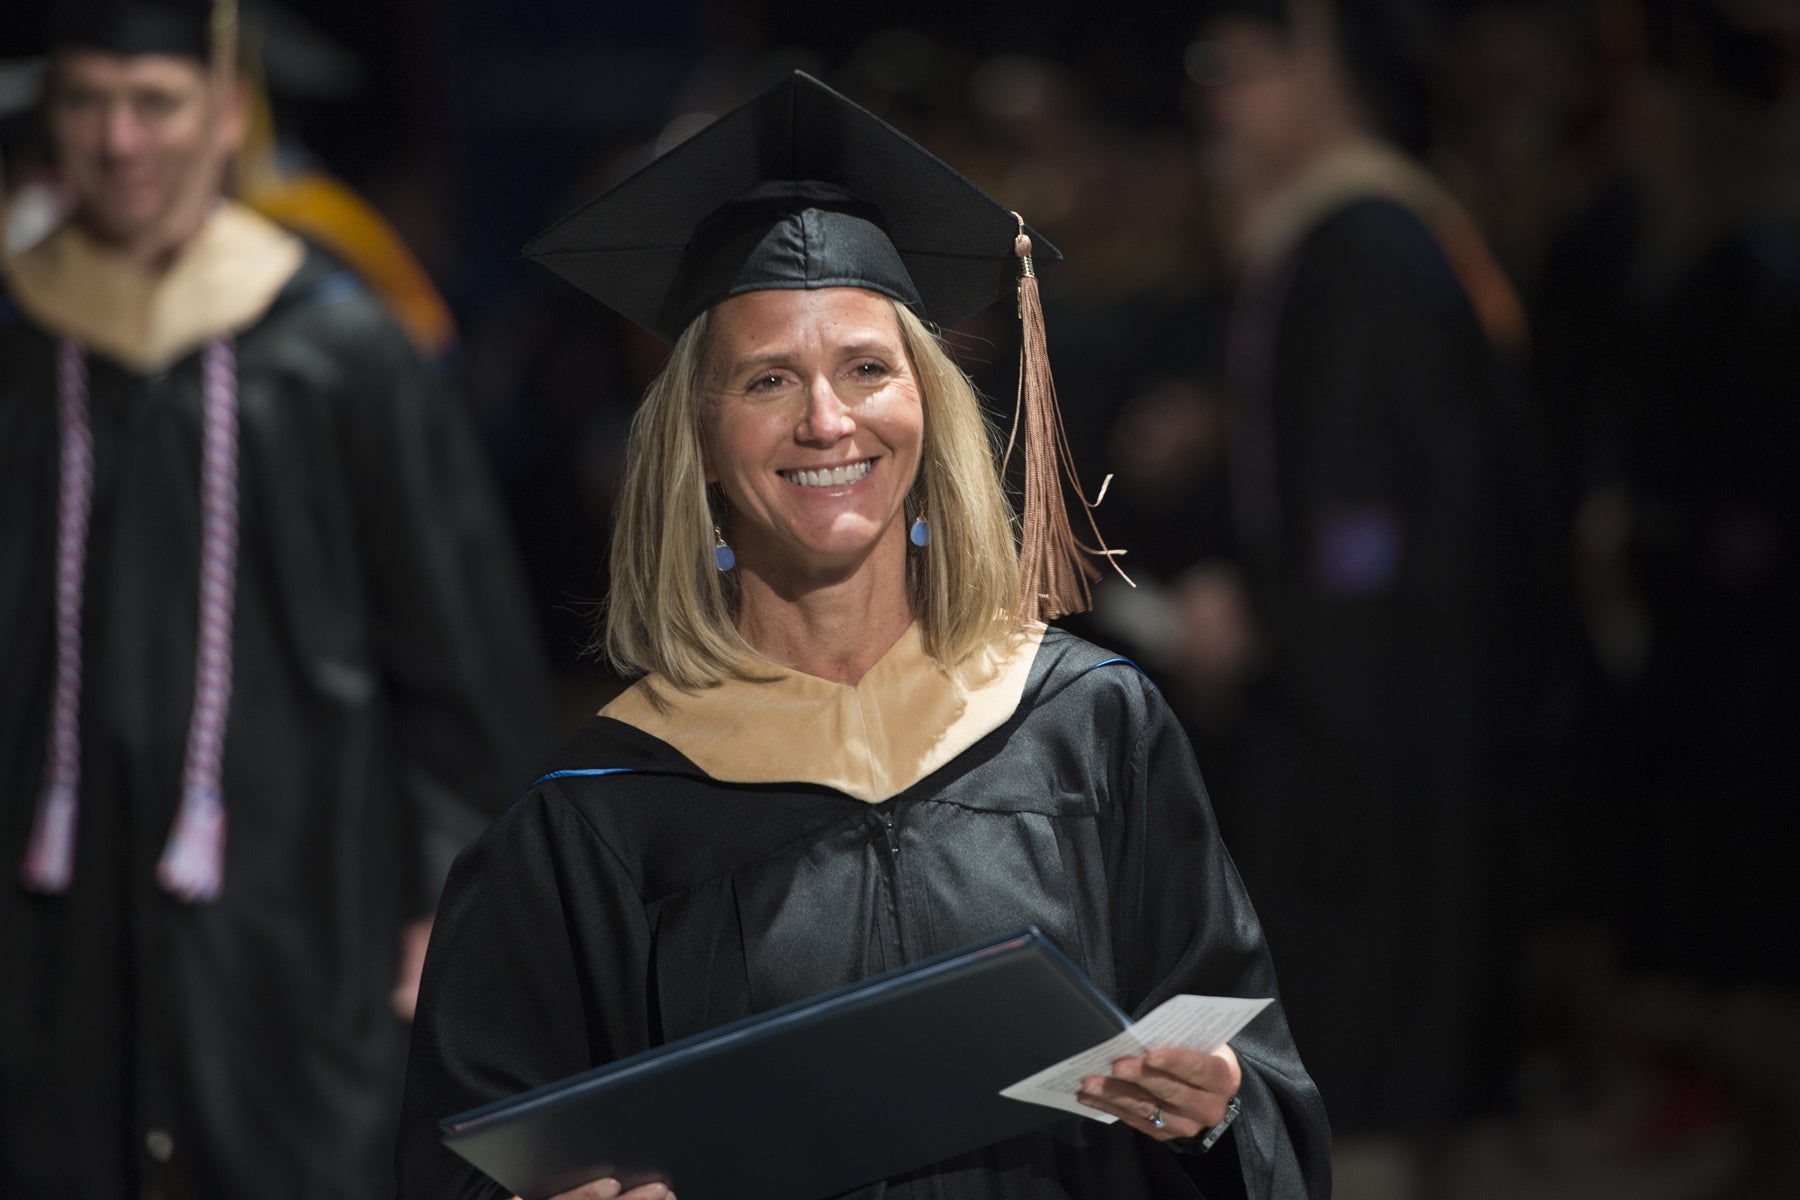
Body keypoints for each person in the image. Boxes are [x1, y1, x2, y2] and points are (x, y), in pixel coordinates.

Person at [397, 70, 1330, 1200]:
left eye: (867, 367)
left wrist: (1219, 1105)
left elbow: (1266, 1098)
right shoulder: (593, 818)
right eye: (768, 379)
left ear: (927, 406)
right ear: (697, 441)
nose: (827, 420)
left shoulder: (1087, 730)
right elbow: (467, 1164)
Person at [0, 2, 550, 1197]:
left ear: (227, 115)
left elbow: (457, 653)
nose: (120, 138)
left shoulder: (336, 349)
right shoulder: (22, 337)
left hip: (301, 896)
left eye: (155, 102)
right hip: (53, 900)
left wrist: (443, 903)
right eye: (88, 101)